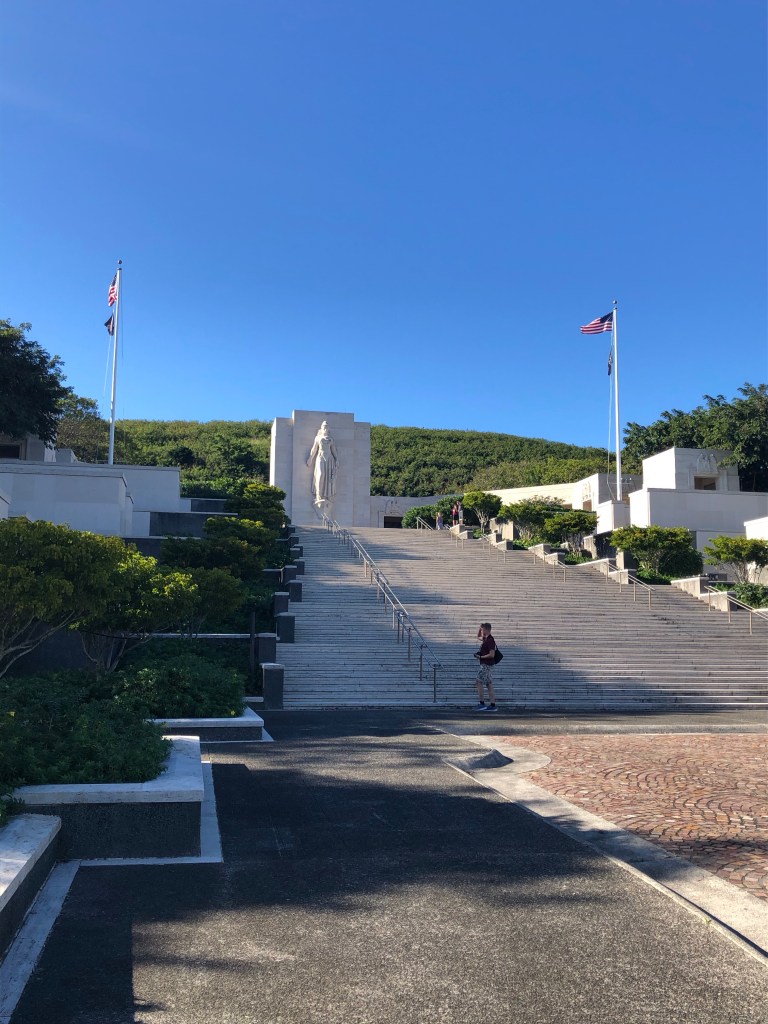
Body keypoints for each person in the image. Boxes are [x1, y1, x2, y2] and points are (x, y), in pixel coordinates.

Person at [307, 421, 339, 506]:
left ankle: (328, 495)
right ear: (321, 428)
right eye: (324, 427)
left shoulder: (331, 439)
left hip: (330, 459)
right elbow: (314, 449)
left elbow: (333, 450)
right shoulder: (318, 438)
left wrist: (337, 459)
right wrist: (310, 458)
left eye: (326, 427)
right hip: (320, 457)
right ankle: (318, 494)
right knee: (321, 474)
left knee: (328, 477)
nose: (325, 429)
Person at [472, 622, 498, 712]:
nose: (481, 631)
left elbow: (492, 654)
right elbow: (478, 637)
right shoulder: (486, 638)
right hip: (487, 665)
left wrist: (480, 657)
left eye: (483, 630)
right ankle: (493, 705)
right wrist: (480, 628)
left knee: (478, 681)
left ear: (486, 630)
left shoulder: (490, 640)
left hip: (486, 665)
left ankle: (482, 703)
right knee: (489, 684)